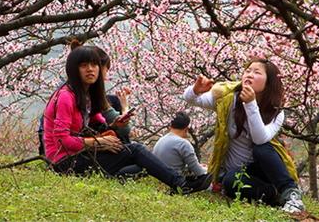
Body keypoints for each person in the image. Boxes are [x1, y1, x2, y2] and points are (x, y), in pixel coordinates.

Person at [42, 45, 210, 194]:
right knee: (136, 150)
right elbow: (62, 140)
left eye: (94, 65)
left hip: (79, 155)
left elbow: (94, 118)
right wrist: (98, 143)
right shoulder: (66, 96)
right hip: (63, 162)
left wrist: (113, 125)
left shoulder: (86, 95)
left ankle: (180, 184)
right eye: (84, 66)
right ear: (73, 69)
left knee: (136, 155)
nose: (90, 70)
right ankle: (181, 184)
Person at [182, 58, 304, 213]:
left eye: (257, 72)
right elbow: (190, 99)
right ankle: (275, 196)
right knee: (231, 180)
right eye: (248, 70)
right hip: (238, 173)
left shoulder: (276, 110)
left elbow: (260, 138)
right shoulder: (228, 99)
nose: (250, 75)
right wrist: (195, 89)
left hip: (262, 169)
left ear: (269, 82)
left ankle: (291, 194)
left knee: (262, 148)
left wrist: (251, 104)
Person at [153, 112, 207, 178]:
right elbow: (199, 172)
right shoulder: (183, 143)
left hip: (157, 181)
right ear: (186, 129)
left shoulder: (161, 140)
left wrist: (198, 166)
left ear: (171, 126)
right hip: (174, 182)